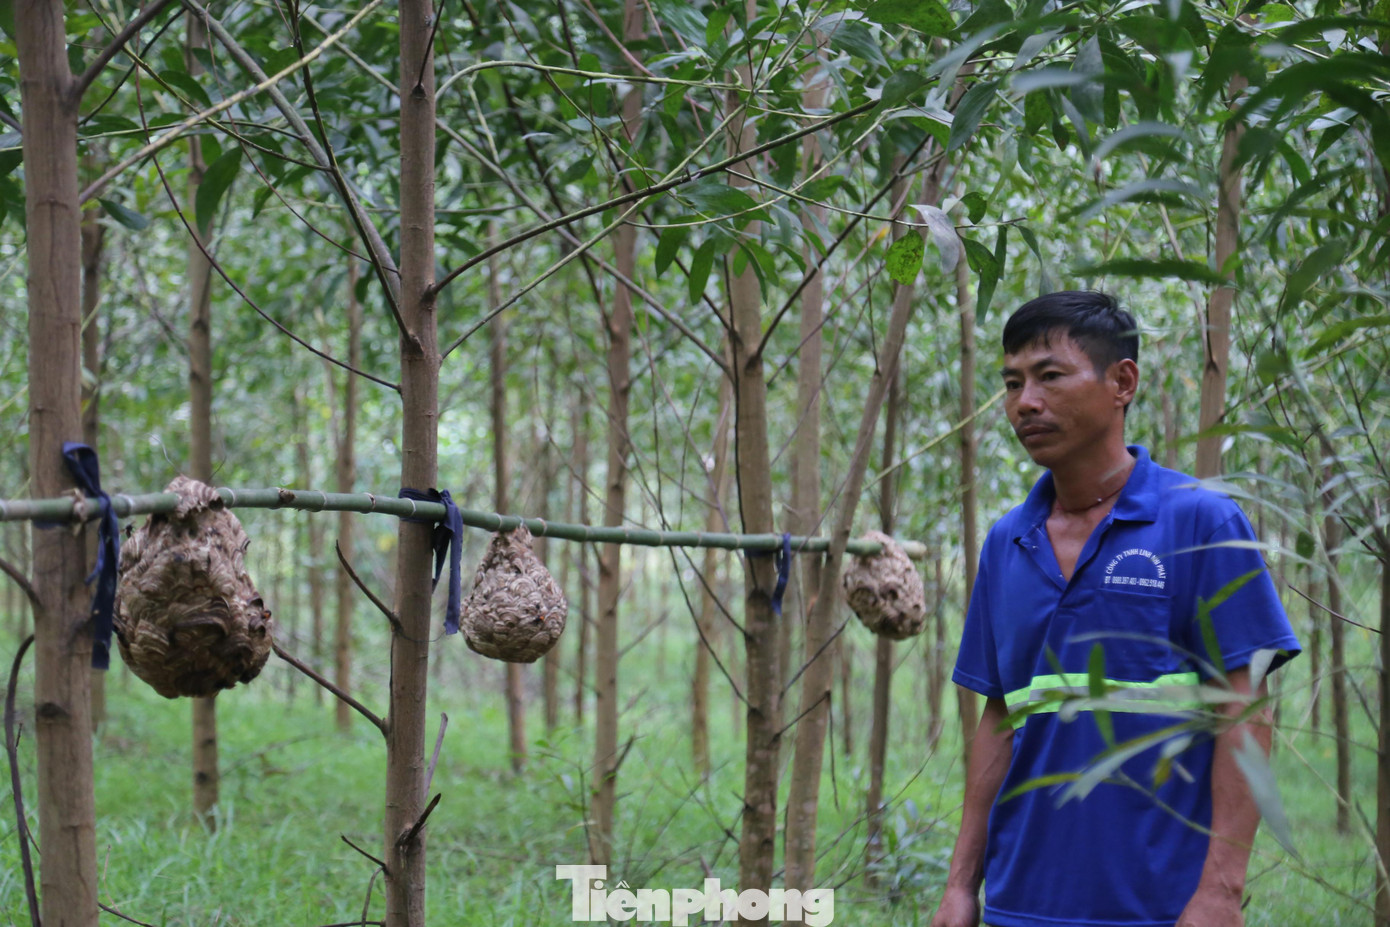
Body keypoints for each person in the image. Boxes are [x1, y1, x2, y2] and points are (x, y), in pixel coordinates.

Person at [930, 291, 1300, 927]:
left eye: (1050, 376)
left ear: (1121, 382)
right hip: (1020, 905)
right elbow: (999, 718)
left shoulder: (1201, 523)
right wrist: (962, 886)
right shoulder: (1005, 542)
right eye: (1013, 382)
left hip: (1160, 907)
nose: (1025, 402)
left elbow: (1246, 710)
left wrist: (1219, 891)